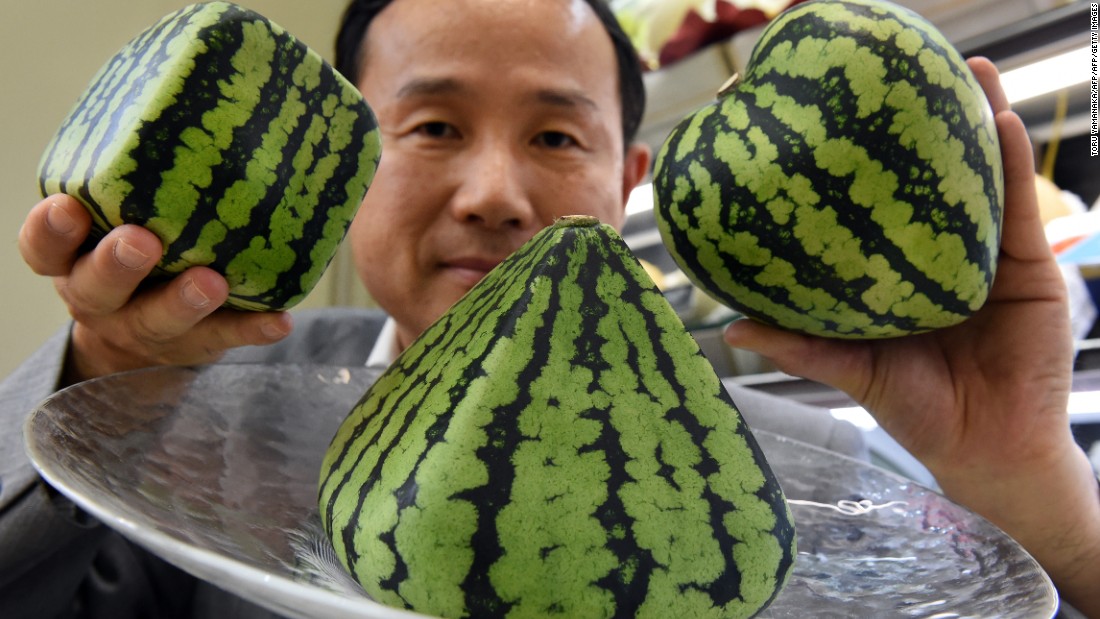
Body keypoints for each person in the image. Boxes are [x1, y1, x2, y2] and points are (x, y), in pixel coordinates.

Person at [1, 0, 1096, 616]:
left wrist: (1016, 468)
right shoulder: (197, 422)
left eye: (556, 136)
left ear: (628, 178)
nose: (492, 194)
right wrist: (100, 373)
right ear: (345, 171)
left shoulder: (815, 485)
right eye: (430, 128)